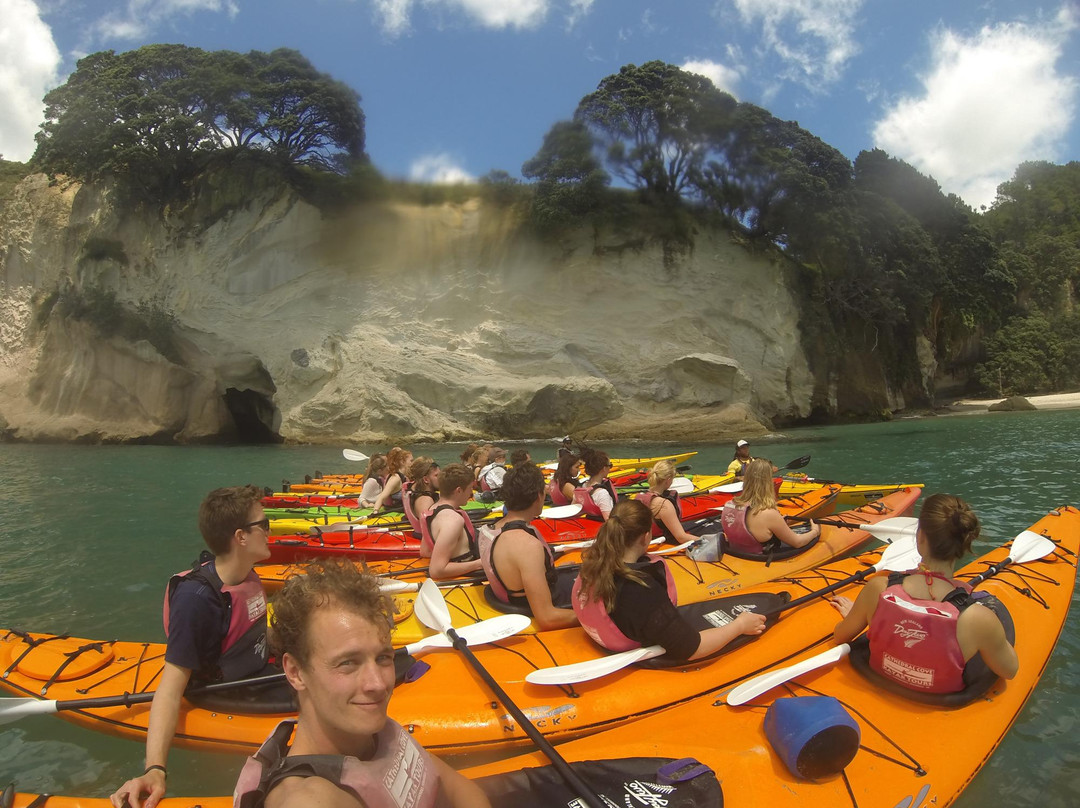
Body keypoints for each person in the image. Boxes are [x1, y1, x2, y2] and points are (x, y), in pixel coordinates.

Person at [232, 560, 491, 808]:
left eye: (383, 658)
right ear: (296, 672)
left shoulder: (375, 735)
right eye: (347, 663)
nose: (377, 684)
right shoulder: (310, 799)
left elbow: (460, 790)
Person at [112, 485, 279, 808]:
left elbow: (252, 632)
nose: (270, 531)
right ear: (241, 537)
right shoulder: (197, 600)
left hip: (259, 674)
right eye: (265, 524)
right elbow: (171, 688)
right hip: (229, 692)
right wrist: (155, 769)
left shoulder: (245, 575)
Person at [830, 494, 1018, 695]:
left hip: (879, 677)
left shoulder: (877, 589)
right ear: (964, 545)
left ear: (920, 538)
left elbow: (840, 635)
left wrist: (860, 614)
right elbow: (1009, 670)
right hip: (938, 700)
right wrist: (989, 637)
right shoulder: (978, 620)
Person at [572, 500, 767, 662]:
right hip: (639, 649)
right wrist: (740, 625)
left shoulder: (593, 566)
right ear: (645, 537)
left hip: (607, 638)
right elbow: (690, 648)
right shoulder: (640, 589)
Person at [478, 464, 579, 630]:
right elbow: (548, 618)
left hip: (512, 593)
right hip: (542, 605)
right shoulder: (526, 545)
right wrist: (604, 616)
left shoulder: (487, 530)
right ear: (539, 496)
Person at [720, 458, 819, 554]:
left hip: (736, 556)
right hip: (758, 561)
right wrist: (815, 531)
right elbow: (798, 542)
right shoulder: (769, 514)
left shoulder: (728, 505)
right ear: (767, 482)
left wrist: (778, 523)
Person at [419, 463, 483, 579]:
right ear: (458, 490)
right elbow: (437, 570)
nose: (471, 493)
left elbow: (425, 551)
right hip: (466, 574)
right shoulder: (453, 520)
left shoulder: (432, 509)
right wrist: (478, 564)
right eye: (470, 488)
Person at [635, 460, 699, 545]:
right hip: (665, 544)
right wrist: (706, 540)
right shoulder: (664, 505)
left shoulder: (639, 497)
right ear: (668, 480)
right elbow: (681, 537)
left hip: (647, 541)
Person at [573, 448, 617, 520]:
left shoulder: (581, 488)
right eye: (610, 465)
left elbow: (573, 510)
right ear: (604, 468)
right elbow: (610, 522)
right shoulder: (602, 494)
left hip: (588, 526)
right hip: (601, 528)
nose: (610, 468)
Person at [402, 456, 440, 537]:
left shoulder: (412, 488)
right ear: (426, 479)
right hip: (426, 541)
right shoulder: (425, 500)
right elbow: (430, 529)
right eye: (437, 475)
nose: (441, 478)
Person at [369, 447, 413, 515]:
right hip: (394, 512)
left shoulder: (405, 476)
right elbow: (382, 497)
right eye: (411, 461)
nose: (412, 463)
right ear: (402, 462)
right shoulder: (395, 478)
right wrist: (375, 511)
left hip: (403, 510)